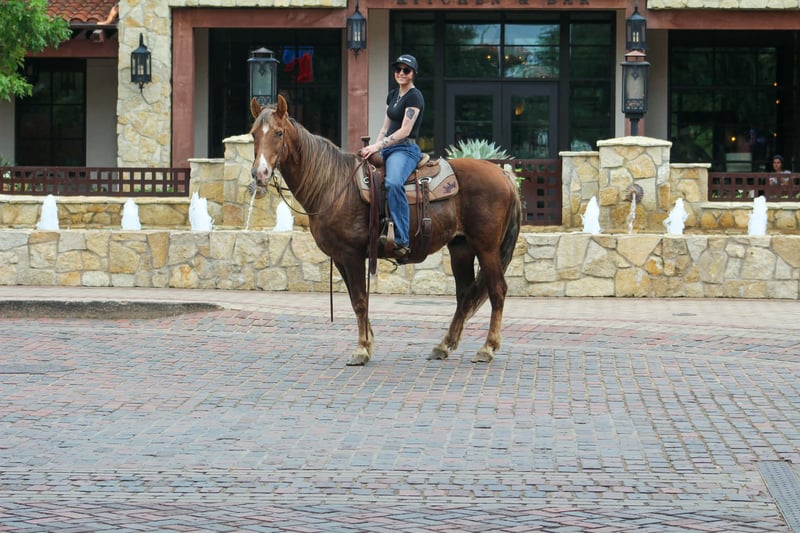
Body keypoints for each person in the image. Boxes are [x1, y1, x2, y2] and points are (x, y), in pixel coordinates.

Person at [360, 54, 424, 259]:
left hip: (405, 149)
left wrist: (379, 145)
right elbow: (385, 127)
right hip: (388, 148)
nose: (401, 73)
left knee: (394, 183)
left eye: (406, 70)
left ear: (413, 73)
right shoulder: (393, 95)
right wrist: (373, 148)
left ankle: (402, 240)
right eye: (398, 69)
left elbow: (405, 130)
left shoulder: (415, 96)